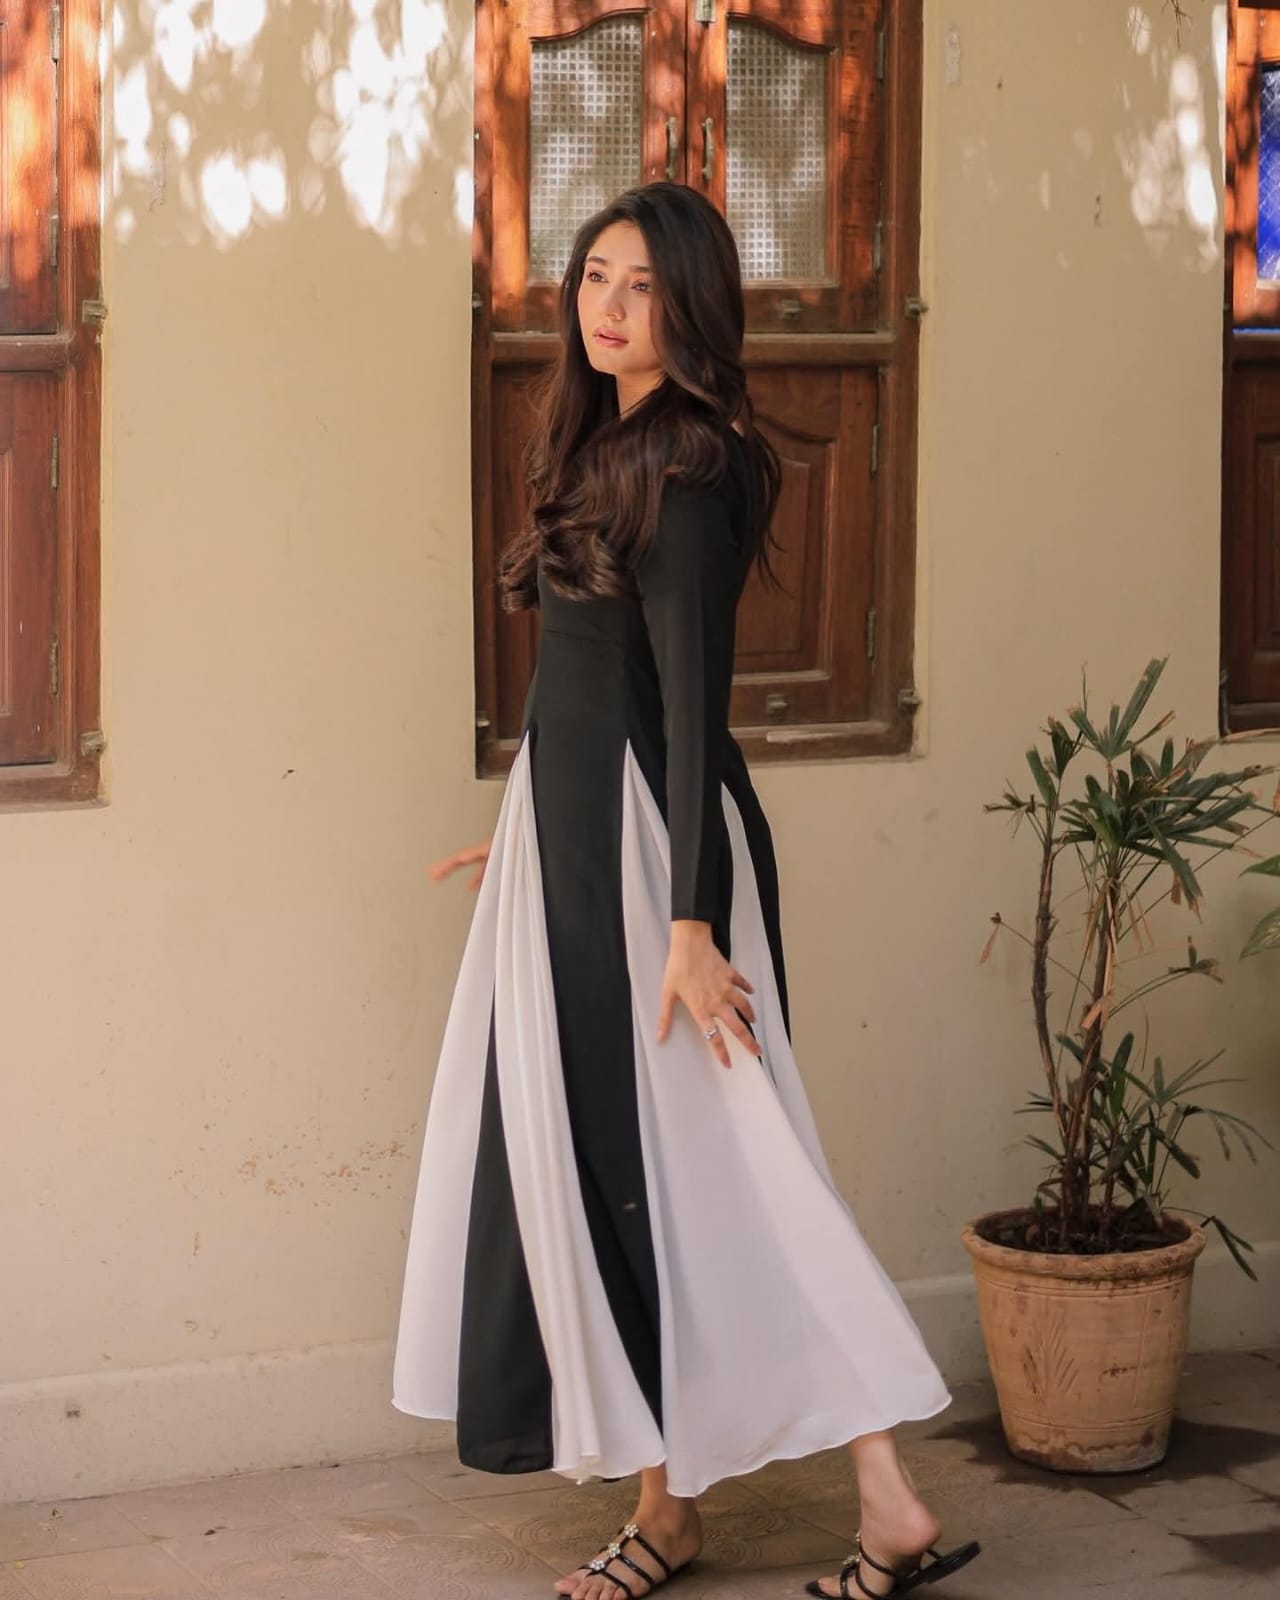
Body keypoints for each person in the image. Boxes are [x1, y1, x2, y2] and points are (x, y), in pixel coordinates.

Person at [391, 181, 981, 1600]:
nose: (609, 306)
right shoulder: (600, 443)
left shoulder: (694, 465)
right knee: (633, 1172)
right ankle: (671, 1511)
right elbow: (586, 684)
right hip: (583, 850)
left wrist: (694, 927)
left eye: (643, 285)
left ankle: (882, 1497)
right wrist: (530, 828)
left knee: (735, 1161)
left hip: (661, 866)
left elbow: (694, 709)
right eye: (596, 275)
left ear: (693, 303)